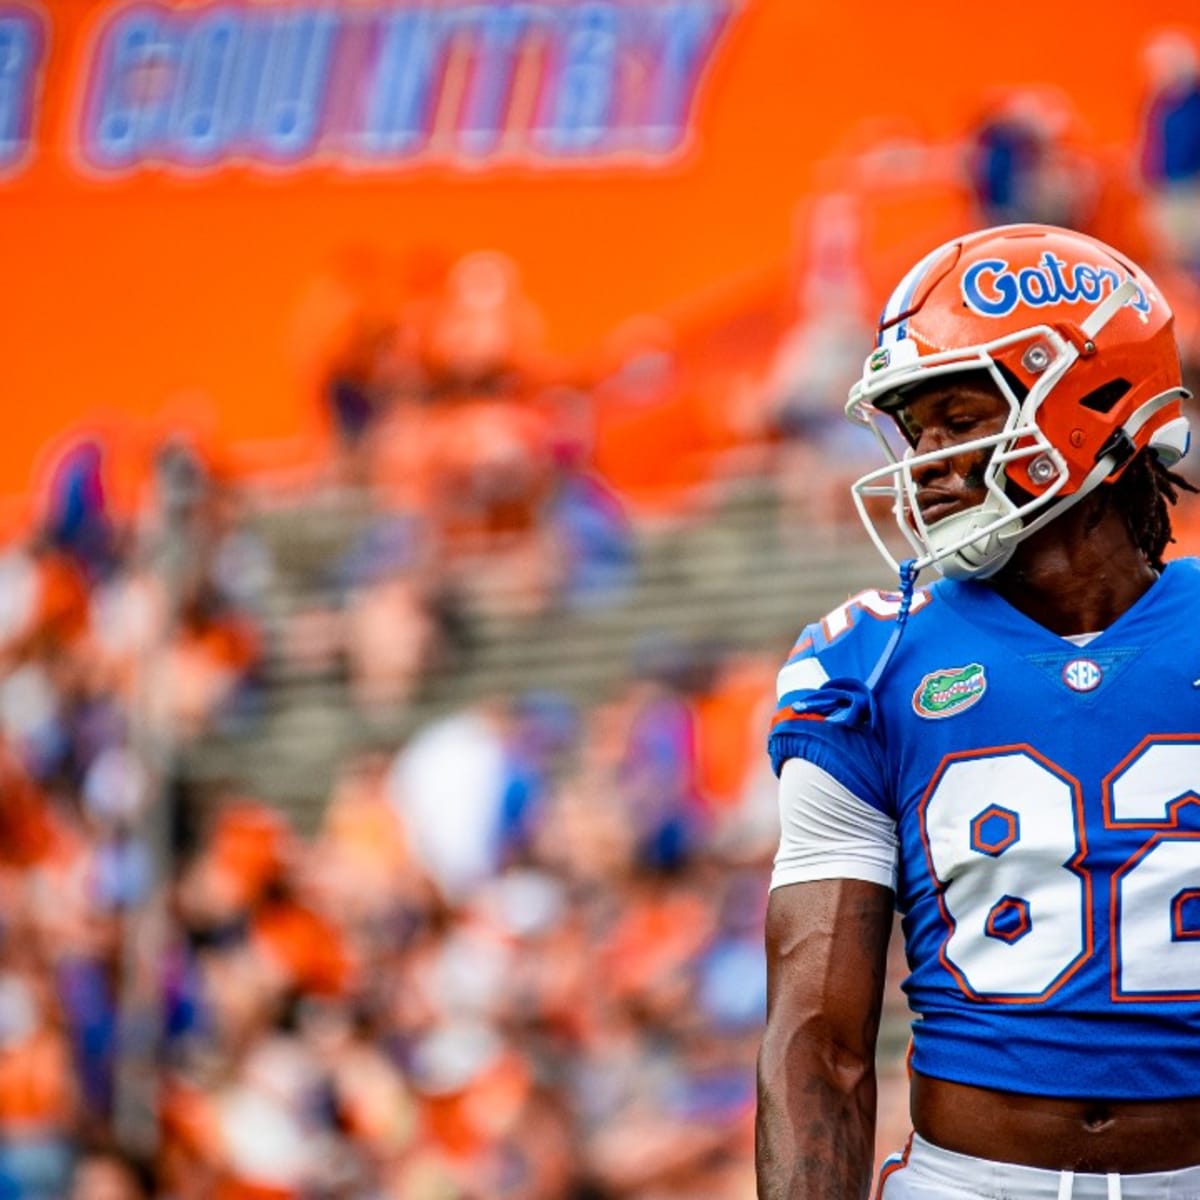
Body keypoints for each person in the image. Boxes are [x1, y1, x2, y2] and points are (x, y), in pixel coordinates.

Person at [756, 223, 1200, 1200]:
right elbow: (817, 1039)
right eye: (918, 433)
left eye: (962, 417)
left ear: (1094, 403)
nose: (928, 461)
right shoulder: (867, 662)